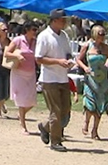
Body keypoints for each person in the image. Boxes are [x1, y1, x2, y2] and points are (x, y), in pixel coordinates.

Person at [36, 9, 74, 152]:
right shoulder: (44, 36)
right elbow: (39, 59)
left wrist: (69, 60)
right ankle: (55, 141)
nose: (64, 22)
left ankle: (45, 127)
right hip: (49, 79)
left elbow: (68, 52)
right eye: (62, 19)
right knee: (55, 111)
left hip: (63, 77)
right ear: (54, 20)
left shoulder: (63, 36)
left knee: (65, 109)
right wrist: (58, 61)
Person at [76, 24, 108, 140]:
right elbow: (78, 59)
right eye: (100, 34)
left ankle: (95, 130)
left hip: (102, 80)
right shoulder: (87, 46)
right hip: (91, 79)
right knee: (90, 104)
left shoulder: (106, 47)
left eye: (103, 34)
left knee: (100, 104)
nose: (102, 37)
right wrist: (85, 68)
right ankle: (86, 123)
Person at [5, 20, 39, 134]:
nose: (35, 32)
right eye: (33, 29)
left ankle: (21, 115)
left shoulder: (36, 42)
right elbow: (7, 53)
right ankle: (23, 126)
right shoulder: (18, 40)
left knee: (32, 101)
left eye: (36, 30)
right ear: (27, 30)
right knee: (21, 99)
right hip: (19, 73)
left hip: (31, 73)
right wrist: (17, 56)